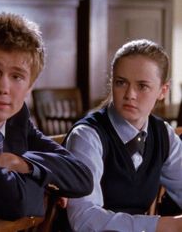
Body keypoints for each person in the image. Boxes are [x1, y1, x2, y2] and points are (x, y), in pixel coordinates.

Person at [0, 12, 93, 231]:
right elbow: (12, 203)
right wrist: (49, 190)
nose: (3, 88)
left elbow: (82, 178)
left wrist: (20, 163)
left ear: (30, 84)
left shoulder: (16, 115)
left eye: (16, 77)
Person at [63, 39, 182, 232]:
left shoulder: (163, 134)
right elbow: (84, 219)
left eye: (142, 86)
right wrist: (164, 225)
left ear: (163, 91)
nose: (130, 94)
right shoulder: (87, 136)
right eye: (121, 83)